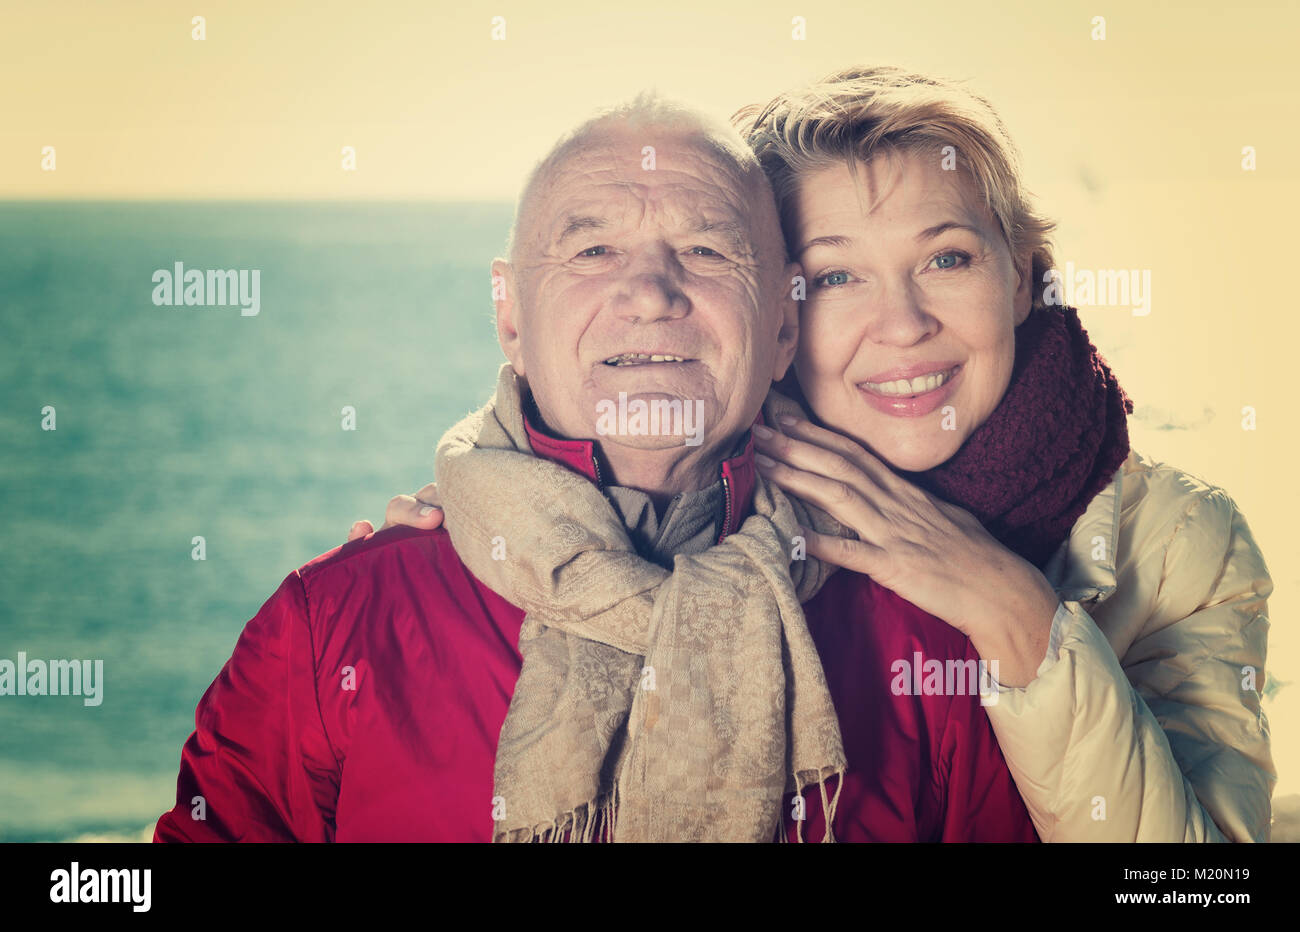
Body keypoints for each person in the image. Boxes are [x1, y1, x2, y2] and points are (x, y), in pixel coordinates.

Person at [367, 67, 1275, 842]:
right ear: (776, 314)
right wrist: (490, 512)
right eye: (835, 275)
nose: (904, 325)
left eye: (947, 258)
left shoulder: (1178, 542)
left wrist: (1014, 612)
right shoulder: (712, 524)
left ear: (1027, 276)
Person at [155, 95, 1037, 843]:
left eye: (707, 251)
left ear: (781, 328)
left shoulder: (928, 647)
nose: (650, 292)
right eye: (591, 251)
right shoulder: (333, 626)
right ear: (509, 316)